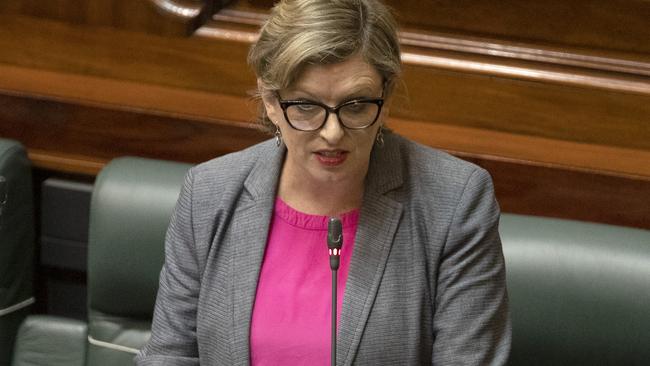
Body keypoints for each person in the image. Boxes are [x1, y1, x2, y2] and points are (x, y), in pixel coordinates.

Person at [136, 0, 511, 364]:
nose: (332, 133)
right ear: (270, 99)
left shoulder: (454, 201)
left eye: (356, 105)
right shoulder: (209, 193)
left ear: (387, 95)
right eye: (306, 106)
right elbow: (171, 355)